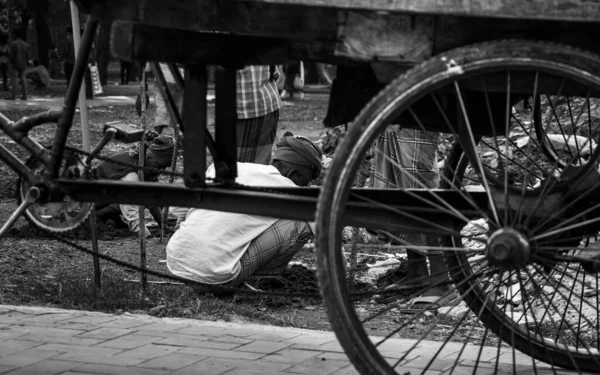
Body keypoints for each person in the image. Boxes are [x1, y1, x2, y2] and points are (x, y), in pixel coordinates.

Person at [324, 64, 454, 309]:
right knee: (397, 186)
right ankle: (416, 272)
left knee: (420, 187)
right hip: (393, 95)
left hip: (419, 99)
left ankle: (442, 278)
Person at [166, 133, 322, 288]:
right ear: (293, 174)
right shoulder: (290, 189)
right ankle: (264, 279)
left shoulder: (228, 168)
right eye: (305, 182)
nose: (304, 187)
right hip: (217, 278)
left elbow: (177, 209)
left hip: (176, 264)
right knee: (305, 218)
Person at [154, 64, 282, 165]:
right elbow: (276, 73)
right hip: (250, 107)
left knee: (251, 172)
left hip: (252, 108)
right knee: (244, 169)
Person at [93, 135, 176, 237]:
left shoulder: (145, 163)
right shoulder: (131, 175)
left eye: (165, 167)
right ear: (149, 157)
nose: (162, 170)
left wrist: (163, 226)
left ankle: (111, 217)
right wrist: (145, 235)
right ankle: (100, 217)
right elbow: (131, 210)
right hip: (92, 202)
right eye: (160, 166)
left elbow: (153, 200)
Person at [8, 28, 28, 100]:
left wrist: (10, 62)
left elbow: (11, 56)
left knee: (15, 79)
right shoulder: (26, 44)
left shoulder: (13, 44)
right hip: (23, 63)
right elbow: (27, 56)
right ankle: (25, 96)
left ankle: (13, 96)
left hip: (15, 63)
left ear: (15, 34)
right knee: (23, 78)